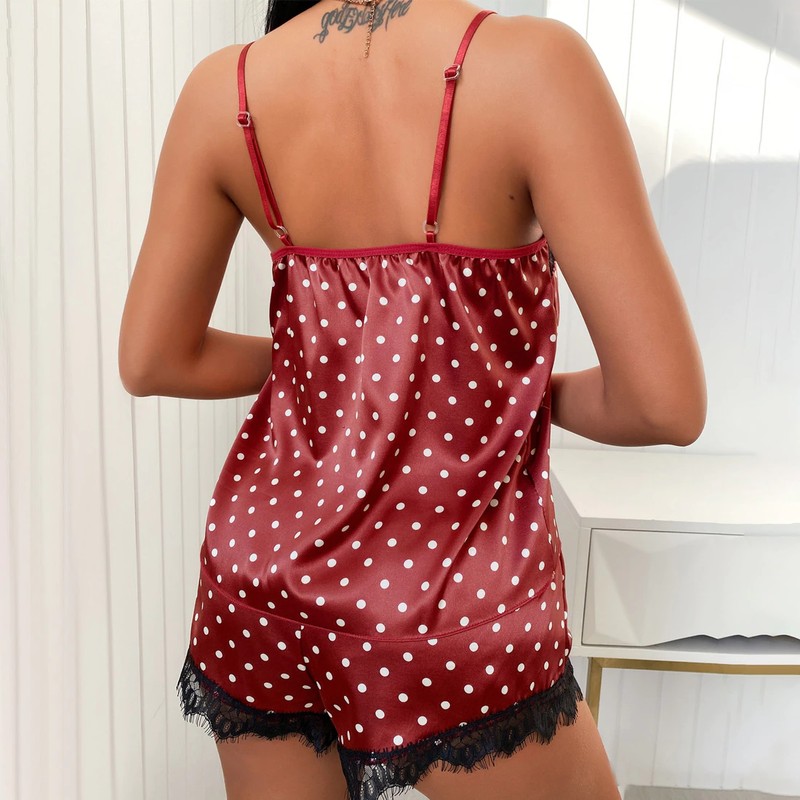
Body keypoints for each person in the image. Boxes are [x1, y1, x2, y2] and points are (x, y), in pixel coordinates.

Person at [118, 1, 707, 798]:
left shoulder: (226, 89)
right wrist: (494, 386)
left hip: (258, 582)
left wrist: (332, 364)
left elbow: (155, 359)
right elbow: (662, 404)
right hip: (449, 601)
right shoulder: (535, 67)